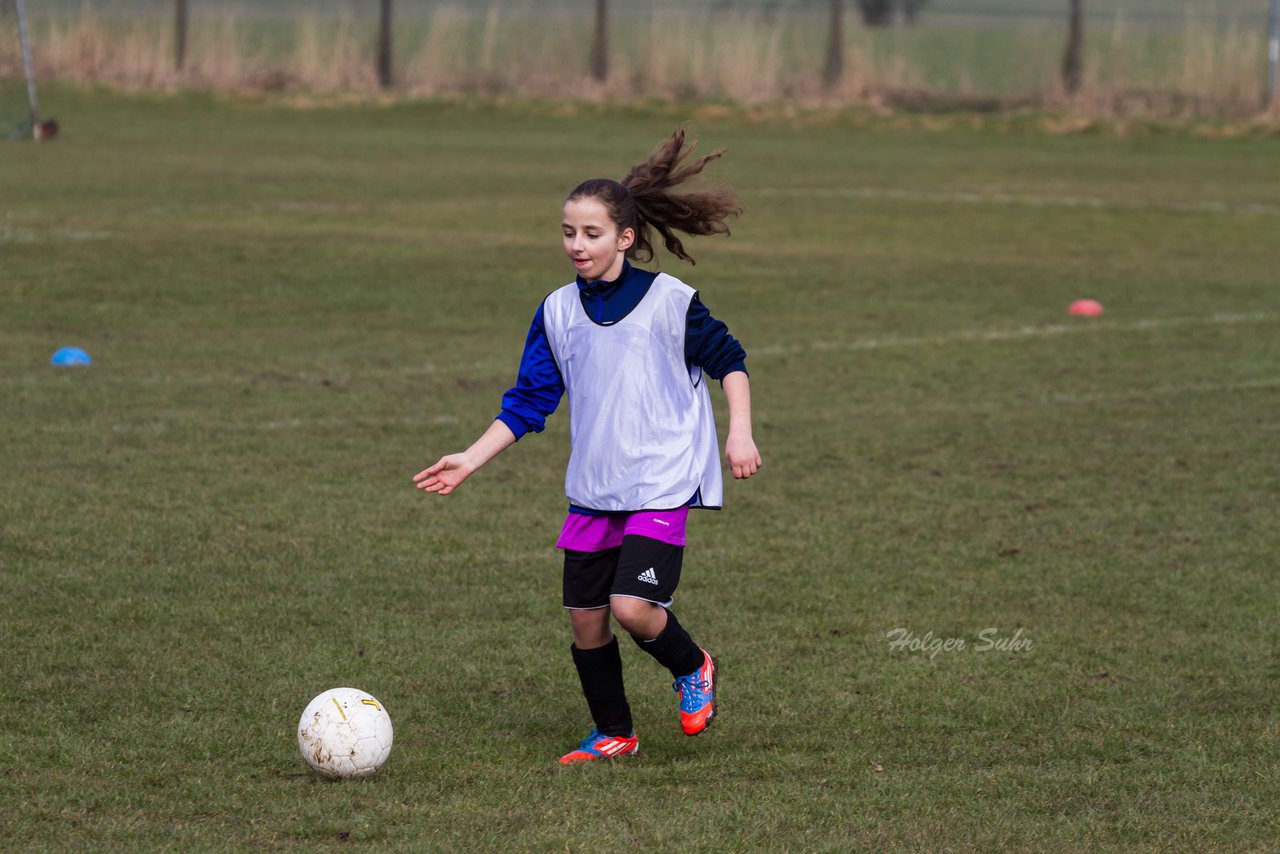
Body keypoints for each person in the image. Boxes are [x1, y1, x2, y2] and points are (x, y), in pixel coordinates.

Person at [413, 127, 762, 765]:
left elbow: (730, 360)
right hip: (596, 487)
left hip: (660, 479)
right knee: (586, 620)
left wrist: (739, 430)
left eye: (592, 233)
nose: (577, 244)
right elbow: (528, 402)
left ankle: (692, 665)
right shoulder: (557, 312)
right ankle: (615, 732)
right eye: (569, 232)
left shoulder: (668, 302)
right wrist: (469, 457)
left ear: (624, 238)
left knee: (632, 606)